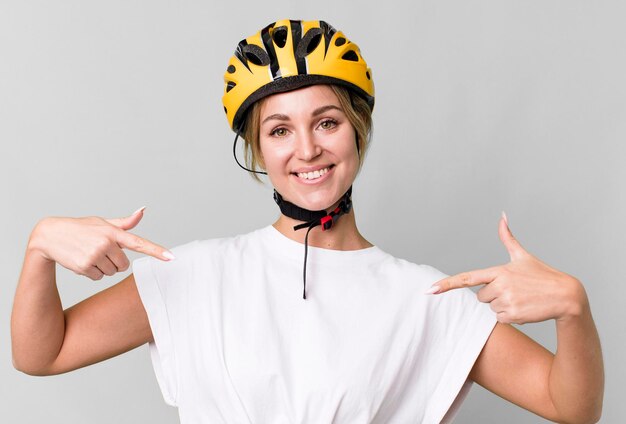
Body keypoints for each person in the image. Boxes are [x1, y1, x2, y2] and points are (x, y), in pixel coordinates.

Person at [11, 19, 603, 423]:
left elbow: (570, 405)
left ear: (357, 131)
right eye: (279, 130)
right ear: (258, 151)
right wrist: (39, 249)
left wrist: (574, 309)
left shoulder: (428, 299)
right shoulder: (191, 275)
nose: (307, 149)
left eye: (326, 122)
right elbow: (42, 353)